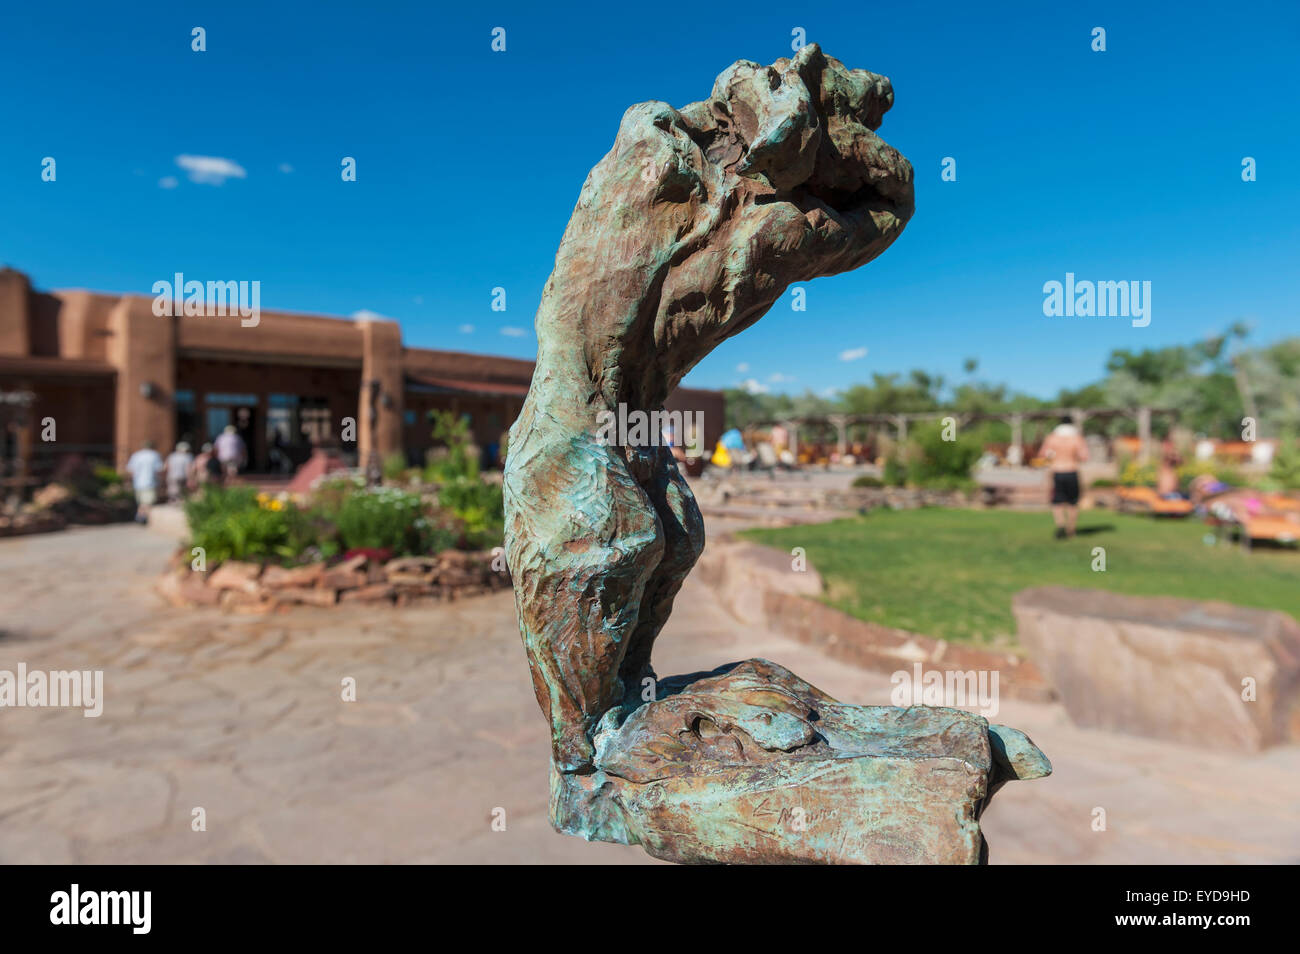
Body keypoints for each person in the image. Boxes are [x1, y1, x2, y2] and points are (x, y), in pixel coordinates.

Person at [1039, 416, 1089, 539]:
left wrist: (1055, 456)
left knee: (1057, 501)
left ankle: (1060, 525)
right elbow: (1084, 456)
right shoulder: (1077, 438)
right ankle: (1071, 529)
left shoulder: (1052, 438)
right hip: (1071, 470)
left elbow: (1043, 454)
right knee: (1073, 502)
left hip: (1057, 471)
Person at [124, 439, 164, 524]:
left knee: (141, 502)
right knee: (147, 502)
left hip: (138, 483)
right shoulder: (154, 455)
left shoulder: (136, 455)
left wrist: (130, 481)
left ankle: (140, 517)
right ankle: (143, 518)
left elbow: (130, 470)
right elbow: (159, 469)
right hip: (150, 482)